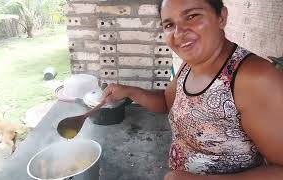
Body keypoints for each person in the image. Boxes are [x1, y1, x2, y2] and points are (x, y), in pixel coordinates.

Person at [102, 0, 283, 179]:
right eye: (169, 24)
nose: (179, 33)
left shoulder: (256, 78)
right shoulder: (189, 66)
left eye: (192, 16)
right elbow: (168, 102)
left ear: (221, 17)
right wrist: (129, 91)